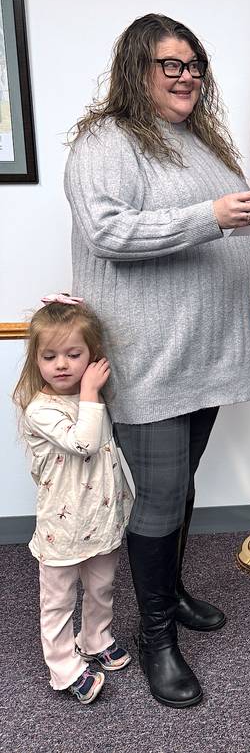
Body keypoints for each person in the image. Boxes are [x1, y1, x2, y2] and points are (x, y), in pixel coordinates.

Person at [64, 13, 250, 708]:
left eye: (195, 64)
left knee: (180, 489)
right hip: (151, 357)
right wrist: (213, 216)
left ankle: (170, 592)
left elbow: (215, 232)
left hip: (203, 352)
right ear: (137, 69)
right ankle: (157, 638)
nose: (188, 75)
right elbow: (107, 232)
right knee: (160, 497)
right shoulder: (106, 140)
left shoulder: (198, 144)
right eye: (171, 64)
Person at [13, 295, 132, 704]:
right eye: (50, 356)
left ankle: (95, 638)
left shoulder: (91, 394)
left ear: (92, 355)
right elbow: (83, 443)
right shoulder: (40, 409)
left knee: (102, 586)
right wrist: (90, 392)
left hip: (101, 514)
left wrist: (87, 313)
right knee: (59, 600)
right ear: (36, 361)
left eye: (73, 353)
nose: (61, 364)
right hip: (62, 526)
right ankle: (63, 667)